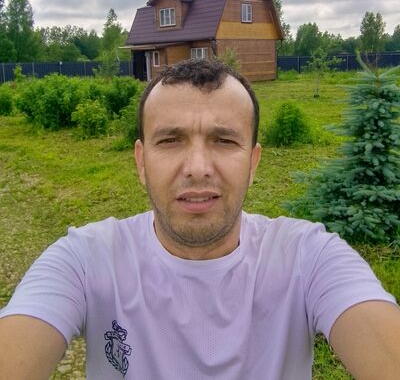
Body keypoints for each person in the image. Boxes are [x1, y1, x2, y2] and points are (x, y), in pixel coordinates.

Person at [0, 59, 399, 380]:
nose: (197, 167)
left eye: (224, 141)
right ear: (141, 162)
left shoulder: (307, 257)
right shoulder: (86, 259)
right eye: (170, 140)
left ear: (253, 163)